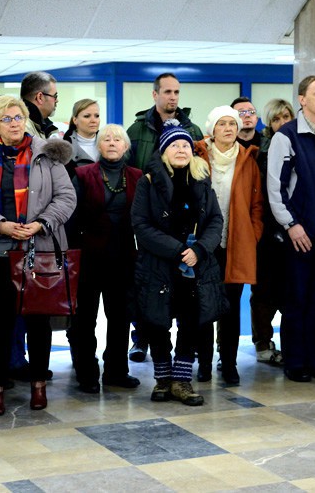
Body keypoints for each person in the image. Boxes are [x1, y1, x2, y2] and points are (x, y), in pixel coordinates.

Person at [0, 95, 75, 415]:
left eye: (18, 117)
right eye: (7, 119)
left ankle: (39, 386)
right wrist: (0, 225)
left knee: (38, 324)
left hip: (38, 252)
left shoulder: (47, 153)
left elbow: (66, 198)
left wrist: (40, 223)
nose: (14, 124)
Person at [132, 120, 225, 406]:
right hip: (160, 264)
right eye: (175, 145)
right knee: (157, 322)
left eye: (185, 145)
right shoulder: (148, 181)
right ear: (164, 151)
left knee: (191, 321)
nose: (181, 149)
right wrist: (176, 250)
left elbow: (215, 221)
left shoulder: (201, 180)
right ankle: (162, 379)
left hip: (195, 266)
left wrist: (199, 249)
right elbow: (141, 224)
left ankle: (182, 381)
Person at [266, 75, 315, 383]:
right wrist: (291, 225)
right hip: (300, 234)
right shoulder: (286, 137)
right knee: (296, 300)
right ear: (302, 99)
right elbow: (276, 188)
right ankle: (295, 362)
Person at [126, 72, 204, 362]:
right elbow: (130, 173)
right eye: (167, 92)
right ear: (155, 94)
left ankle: (185, 352)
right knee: (149, 289)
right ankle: (141, 340)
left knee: (185, 294)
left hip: (186, 225)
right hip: (151, 219)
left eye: (177, 92)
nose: (173, 97)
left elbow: (199, 173)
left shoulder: (192, 129)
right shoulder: (137, 130)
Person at [69, 124, 142, 393]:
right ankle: (86, 372)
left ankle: (116, 371)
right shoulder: (82, 174)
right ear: (98, 146)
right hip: (88, 257)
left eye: (117, 139)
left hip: (124, 257)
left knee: (121, 317)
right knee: (85, 318)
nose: (112, 143)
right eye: (106, 139)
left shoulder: (137, 176)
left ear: (125, 146)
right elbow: (71, 217)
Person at [194, 106, 263, 384]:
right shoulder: (198, 155)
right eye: (222, 124)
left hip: (235, 242)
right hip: (203, 243)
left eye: (232, 124)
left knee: (231, 306)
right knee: (202, 304)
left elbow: (257, 205)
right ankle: (204, 363)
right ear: (212, 128)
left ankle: (230, 362)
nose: (228, 128)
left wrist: (253, 233)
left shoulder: (248, 159)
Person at [248, 99, 295, 366]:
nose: (282, 123)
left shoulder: (301, 145)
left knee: (290, 290)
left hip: (295, 229)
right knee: (263, 290)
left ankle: (291, 342)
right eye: (276, 119)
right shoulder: (261, 152)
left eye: (286, 117)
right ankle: (263, 342)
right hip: (266, 229)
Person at [63, 98, 101, 179]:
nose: (93, 120)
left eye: (97, 116)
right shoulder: (63, 149)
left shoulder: (110, 144)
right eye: (87, 116)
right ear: (75, 120)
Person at [20, 71, 60, 140]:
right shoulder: (23, 129)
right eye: (55, 96)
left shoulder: (38, 126)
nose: (57, 100)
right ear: (40, 97)